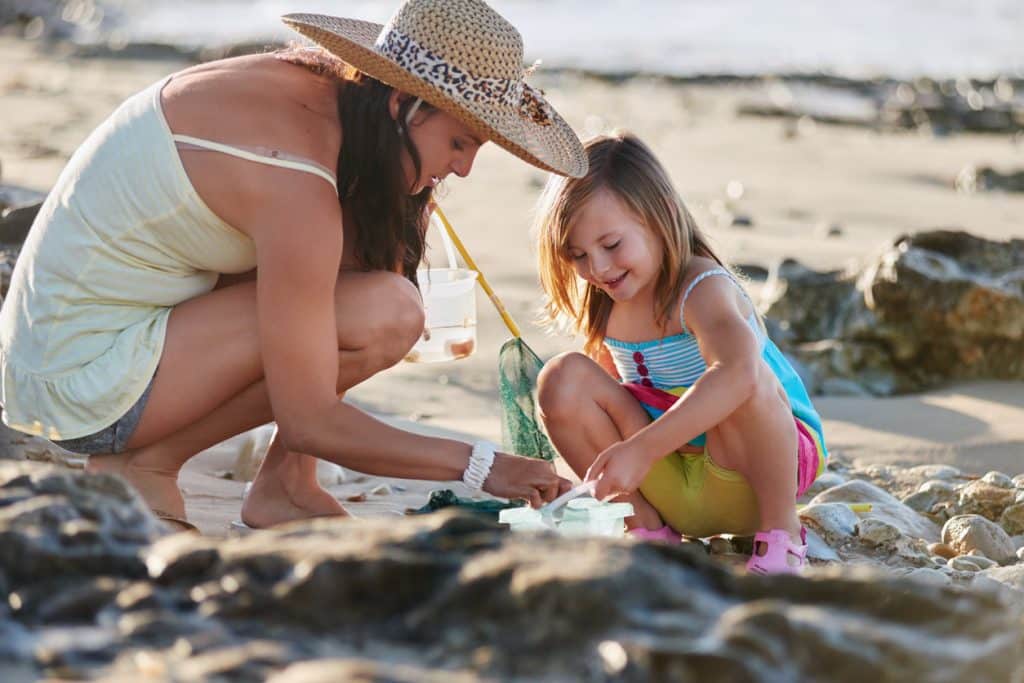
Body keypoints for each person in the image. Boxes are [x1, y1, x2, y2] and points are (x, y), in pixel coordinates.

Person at [0, 0, 585, 531]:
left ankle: (287, 486)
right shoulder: (294, 179)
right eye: (460, 144)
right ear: (402, 103)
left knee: (366, 276)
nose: (463, 171)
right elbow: (309, 420)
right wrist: (482, 466)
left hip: (74, 344)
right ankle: (149, 464)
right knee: (387, 312)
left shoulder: (313, 97)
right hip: (76, 382)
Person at [533, 132, 828, 574]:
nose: (598, 268)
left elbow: (739, 373)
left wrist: (643, 450)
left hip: (752, 476)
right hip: (675, 483)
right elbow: (603, 410)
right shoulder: (607, 306)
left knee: (740, 378)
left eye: (611, 245)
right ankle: (647, 532)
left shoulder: (701, 288)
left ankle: (782, 536)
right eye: (577, 255)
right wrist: (582, 480)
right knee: (562, 379)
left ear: (659, 215)